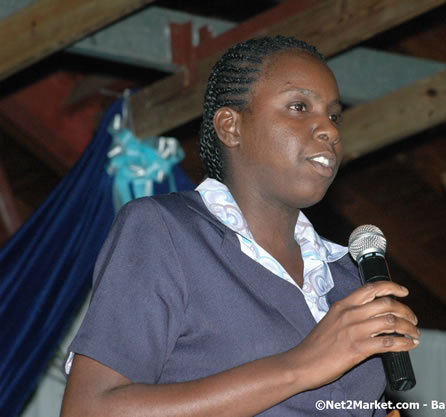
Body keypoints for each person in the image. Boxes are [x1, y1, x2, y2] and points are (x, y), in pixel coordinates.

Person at [61, 36, 420, 417]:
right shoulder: (167, 231)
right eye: (299, 107)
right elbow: (90, 410)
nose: (329, 131)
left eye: (334, 116)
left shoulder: (349, 278)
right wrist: (299, 366)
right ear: (230, 126)